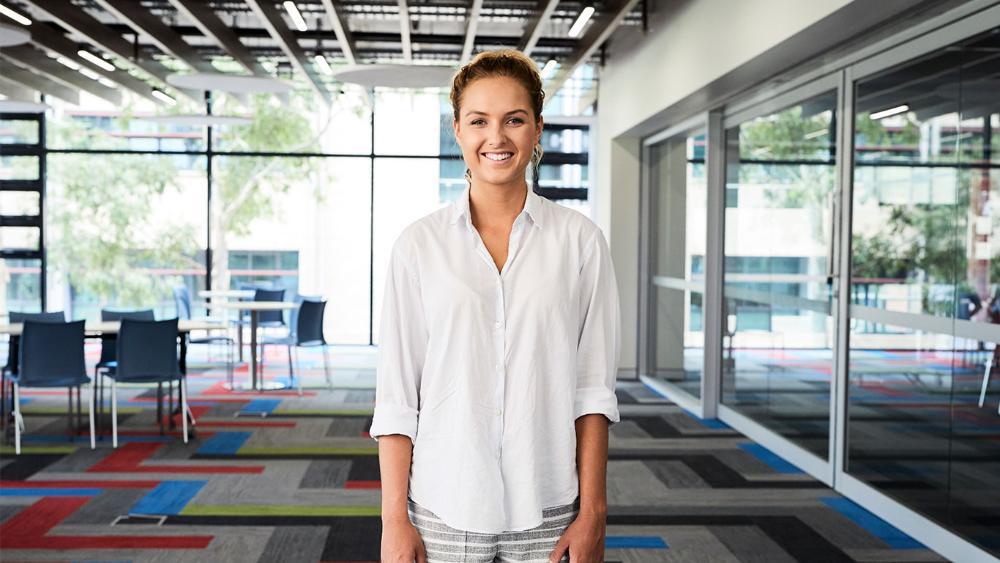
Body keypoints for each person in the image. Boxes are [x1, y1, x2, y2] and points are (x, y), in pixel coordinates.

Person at [369, 49, 621, 563]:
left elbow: (593, 391)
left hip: (549, 508)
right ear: (458, 130)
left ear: (537, 129)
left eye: (514, 120)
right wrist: (394, 520)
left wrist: (593, 513)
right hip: (443, 506)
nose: (497, 138)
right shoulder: (418, 246)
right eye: (479, 121)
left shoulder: (581, 242)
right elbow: (398, 396)